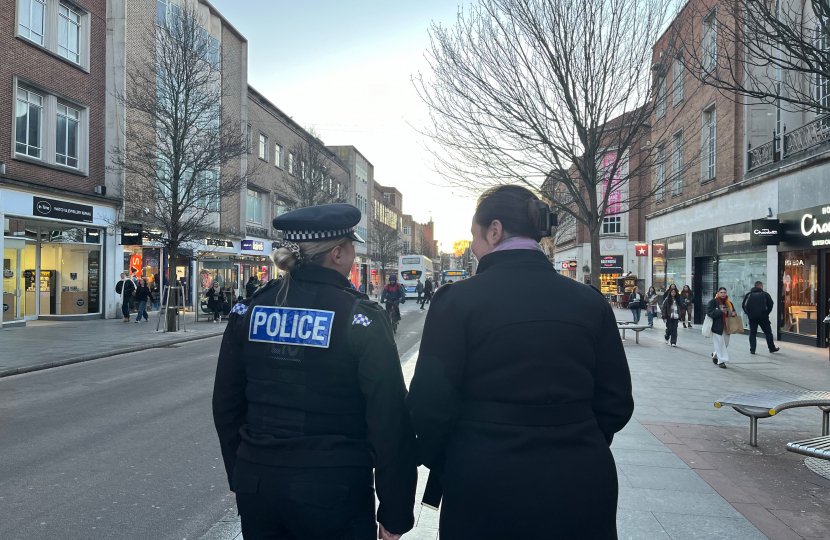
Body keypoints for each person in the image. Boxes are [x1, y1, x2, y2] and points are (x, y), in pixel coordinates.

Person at [407, 185, 633, 539]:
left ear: (494, 231)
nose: (472, 247)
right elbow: (616, 402)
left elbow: (428, 405)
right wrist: (575, 435)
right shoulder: (589, 301)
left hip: (484, 478)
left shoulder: (457, 302)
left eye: (474, 237)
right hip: (581, 478)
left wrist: (453, 455)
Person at [212, 203, 417, 540]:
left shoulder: (248, 310)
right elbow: (389, 418)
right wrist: (395, 510)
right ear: (337, 253)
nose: (354, 254)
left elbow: (226, 405)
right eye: (352, 246)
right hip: (334, 489)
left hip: (258, 484)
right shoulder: (358, 316)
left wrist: (239, 475)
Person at [742, 281, 780, 355]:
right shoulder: (765, 294)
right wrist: (766, 313)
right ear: (761, 286)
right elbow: (771, 304)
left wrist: (749, 314)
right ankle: (771, 348)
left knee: (752, 333)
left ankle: (752, 349)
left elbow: (744, 305)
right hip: (763, 317)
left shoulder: (749, 295)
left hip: (752, 318)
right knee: (768, 333)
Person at [707, 287, 737, 368]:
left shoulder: (729, 303)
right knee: (720, 343)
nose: (723, 294)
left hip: (727, 326)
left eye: (724, 292)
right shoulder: (713, 302)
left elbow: (733, 312)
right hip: (717, 327)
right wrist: (720, 311)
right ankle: (721, 361)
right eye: (721, 292)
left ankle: (715, 354)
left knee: (725, 344)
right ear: (718, 293)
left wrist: (734, 314)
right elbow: (710, 313)